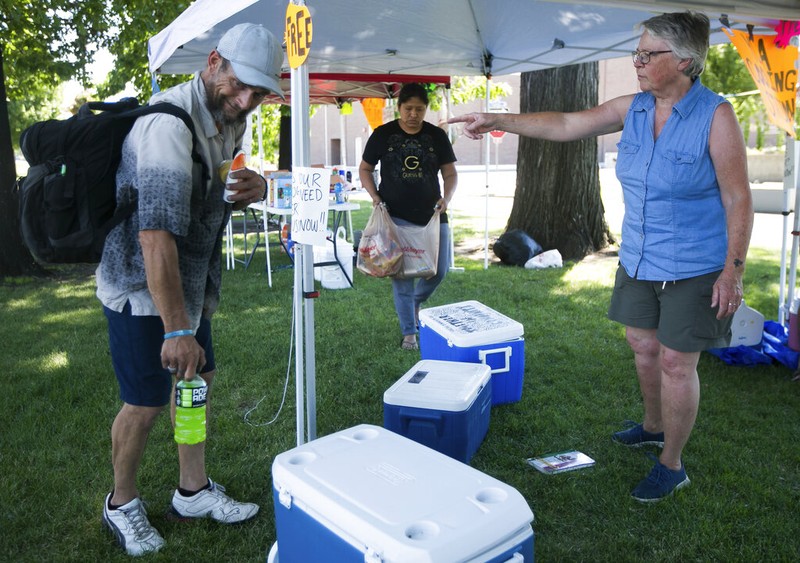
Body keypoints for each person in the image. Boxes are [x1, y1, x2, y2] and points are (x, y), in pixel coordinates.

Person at [450, 11, 753, 503]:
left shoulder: (715, 116)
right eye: (637, 51)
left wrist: (732, 271)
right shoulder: (633, 107)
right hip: (638, 258)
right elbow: (568, 123)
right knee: (642, 344)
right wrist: (497, 119)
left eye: (647, 54)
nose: (636, 61)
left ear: (684, 61)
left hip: (695, 264)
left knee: (677, 362)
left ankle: (671, 463)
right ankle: (653, 426)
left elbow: (738, 198)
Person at [96, 23, 283, 555]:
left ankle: (192, 490)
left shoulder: (227, 118)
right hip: (140, 286)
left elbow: (218, 185)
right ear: (214, 63)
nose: (247, 100)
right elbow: (154, 237)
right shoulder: (167, 126)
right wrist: (177, 328)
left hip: (190, 282)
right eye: (240, 84)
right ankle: (122, 503)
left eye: (259, 91)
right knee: (145, 401)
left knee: (196, 382)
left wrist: (260, 186)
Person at [359, 83, 458, 350]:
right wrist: (374, 196)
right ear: (399, 107)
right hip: (394, 216)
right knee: (402, 275)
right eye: (408, 109)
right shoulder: (383, 134)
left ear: (426, 109)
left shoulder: (437, 135)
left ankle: (415, 302)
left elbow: (450, 174)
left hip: (433, 215)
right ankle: (409, 333)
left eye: (419, 109)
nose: (413, 114)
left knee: (438, 270)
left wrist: (446, 199)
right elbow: (365, 169)